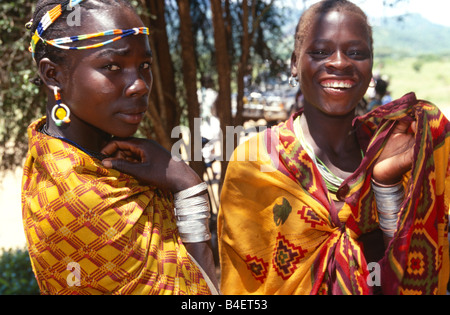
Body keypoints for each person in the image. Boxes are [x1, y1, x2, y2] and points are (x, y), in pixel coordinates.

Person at [218, 0, 450, 295]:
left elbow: (408, 274)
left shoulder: (395, 149)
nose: (340, 62)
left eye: (356, 53)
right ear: (294, 63)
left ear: (370, 65)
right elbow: (245, 288)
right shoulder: (256, 164)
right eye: (320, 51)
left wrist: (385, 184)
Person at [22, 0, 218, 295]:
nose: (140, 85)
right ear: (53, 75)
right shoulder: (80, 199)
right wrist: (186, 184)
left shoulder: (59, 155)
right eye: (112, 66)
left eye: (144, 66)